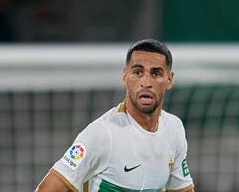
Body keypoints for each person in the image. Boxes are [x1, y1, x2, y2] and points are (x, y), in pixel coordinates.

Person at [35, 39, 195, 192]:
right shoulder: (102, 134)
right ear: (125, 76)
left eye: (156, 73)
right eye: (138, 72)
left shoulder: (174, 129)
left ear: (169, 79)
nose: (146, 82)